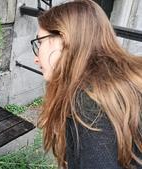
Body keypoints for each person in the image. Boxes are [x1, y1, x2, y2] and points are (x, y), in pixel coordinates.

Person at [31, 0, 142, 168]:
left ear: (64, 38)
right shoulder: (126, 79)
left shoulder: (88, 102)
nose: (36, 58)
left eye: (40, 42)